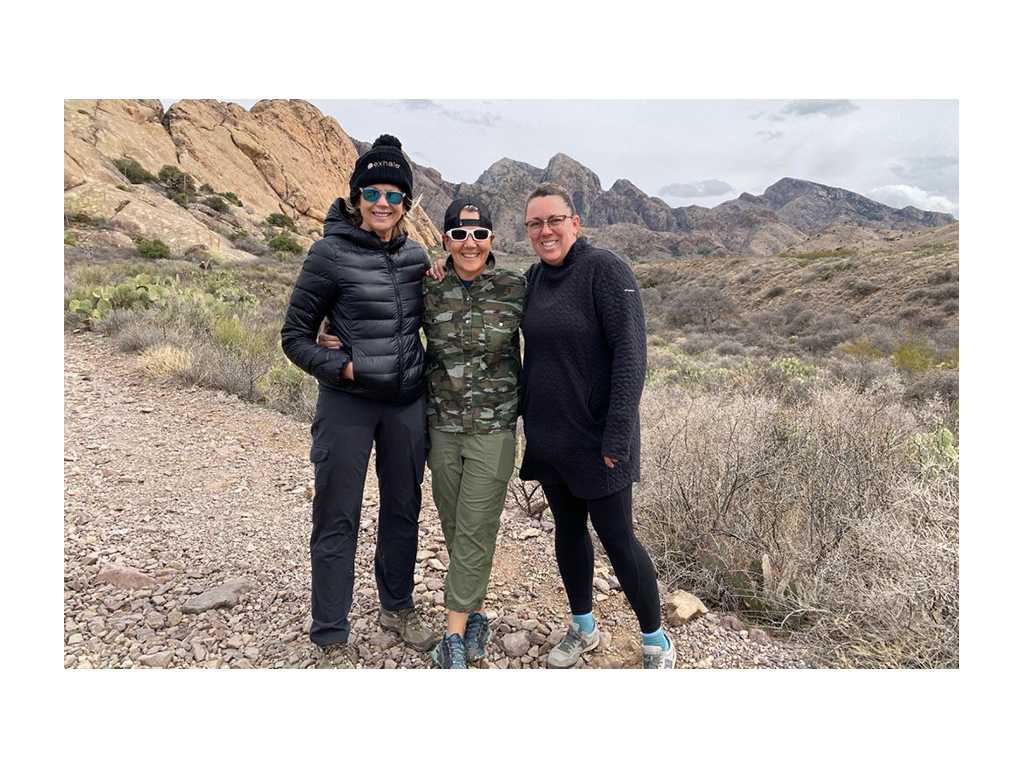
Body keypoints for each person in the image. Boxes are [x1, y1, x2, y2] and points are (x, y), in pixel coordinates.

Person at [321, 197, 526, 669]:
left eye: (478, 234)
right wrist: (325, 335)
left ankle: (452, 638)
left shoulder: (516, 287)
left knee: (475, 529)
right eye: (458, 234)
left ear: (492, 238)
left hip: (493, 428)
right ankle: (475, 616)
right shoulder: (427, 285)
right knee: (457, 529)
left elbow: (556, 335)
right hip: (441, 427)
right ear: (444, 239)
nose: (469, 243)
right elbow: (377, 313)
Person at [280, 134, 437, 669]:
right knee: (336, 514)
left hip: (405, 404)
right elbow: (295, 336)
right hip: (347, 402)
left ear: (407, 204)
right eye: (372, 191)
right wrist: (342, 366)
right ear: (356, 195)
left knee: (402, 509)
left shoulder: (416, 256)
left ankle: (396, 606)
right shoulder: (328, 253)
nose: (383, 203)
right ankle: (329, 632)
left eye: (395, 195)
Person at [518, 182, 676, 669]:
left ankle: (656, 640)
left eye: (554, 221)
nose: (546, 231)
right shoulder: (533, 278)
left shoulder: (605, 270)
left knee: (618, 538)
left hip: (599, 439)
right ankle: (583, 626)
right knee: (568, 531)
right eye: (535, 224)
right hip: (550, 436)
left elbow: (632, 356)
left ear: (575, 223)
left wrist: (617, 436)